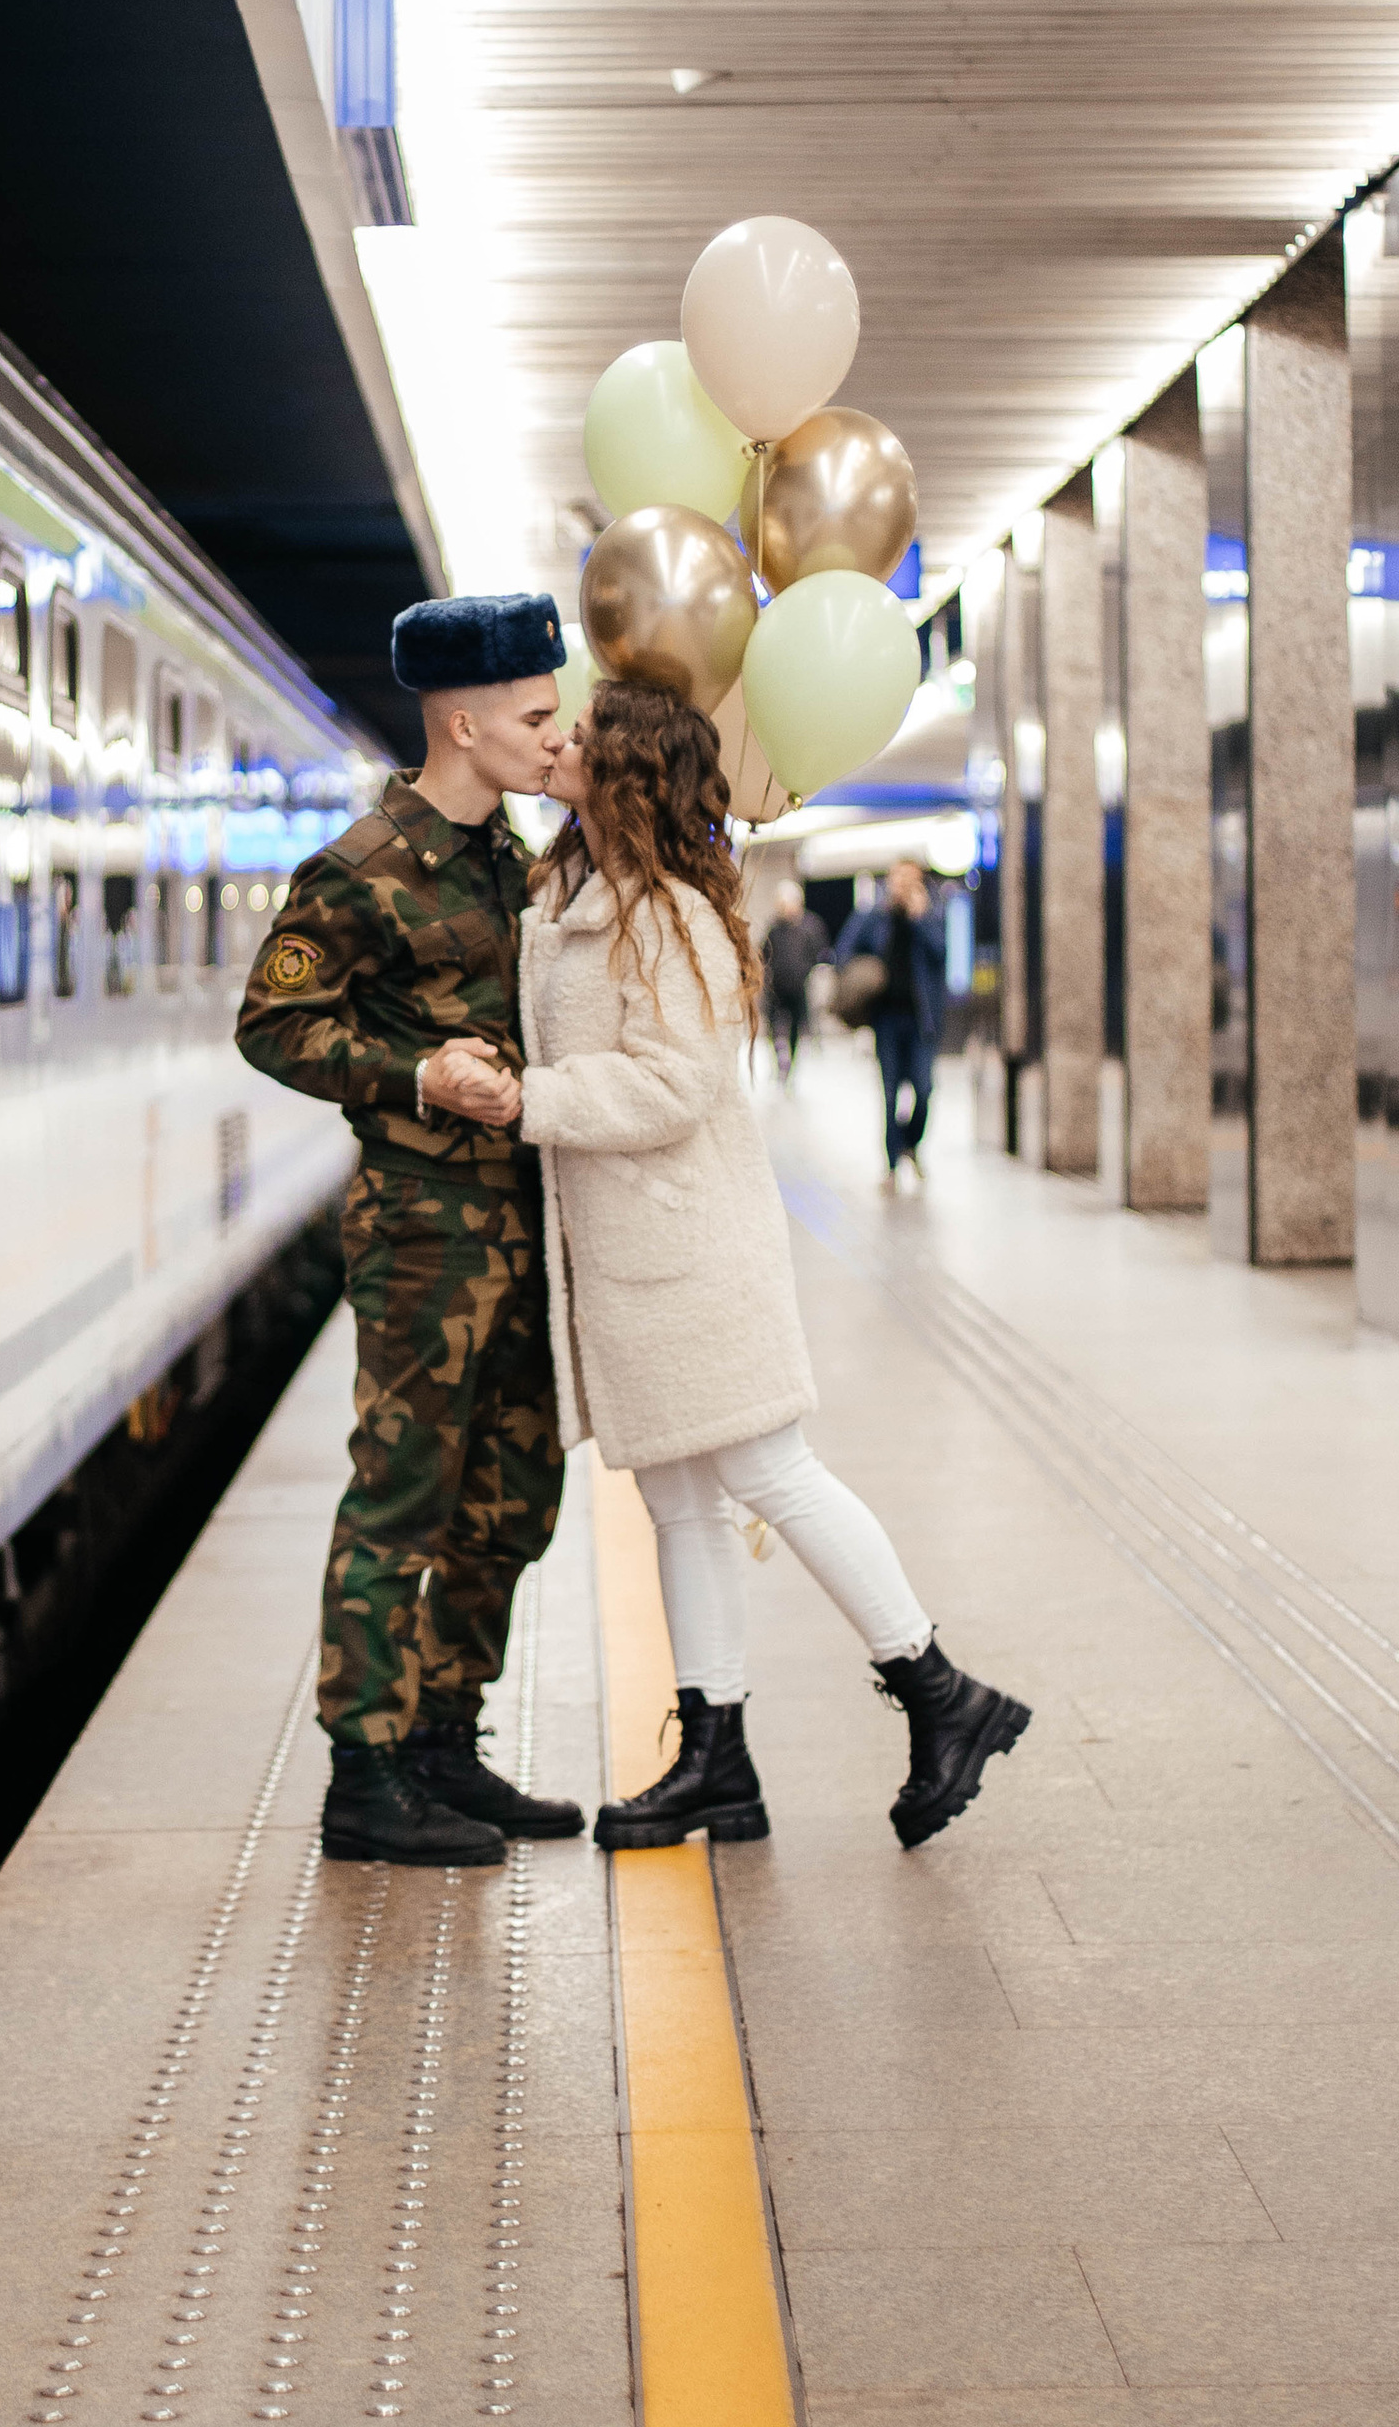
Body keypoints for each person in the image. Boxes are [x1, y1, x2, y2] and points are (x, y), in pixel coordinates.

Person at [427, 681, 1028, 1856]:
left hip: (689, 1253)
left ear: (627, 776)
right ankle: (717, 1755)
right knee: (679, 1501)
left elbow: (673, 1086)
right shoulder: (579, 893)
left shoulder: (669, 917)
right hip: (633, 1260)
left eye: (581, 737)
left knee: (771, 1469)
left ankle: (938, 1689)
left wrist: (526, 1100)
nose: (559, 745)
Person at [236, 592, 586, 1871]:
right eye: (538, 717)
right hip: (425, 1231)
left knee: (511, 1493)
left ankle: (445, 1737)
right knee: (402, 1500)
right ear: (462, 720)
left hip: (525, 1217)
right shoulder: (357, 868)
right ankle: (363, 1774)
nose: (556, 738)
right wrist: (412, 1075)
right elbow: (270, 1028)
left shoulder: (517, 860)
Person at [838, 857, 947, 1185]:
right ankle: (890, 1162)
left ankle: (910, 1145)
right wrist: (868, 969)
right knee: (888, 1092)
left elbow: (942, 953)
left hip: (921, 1020)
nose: (901, 886)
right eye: (897, 879)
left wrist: (921, 919)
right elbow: (844, 951)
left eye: (909, 880)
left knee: (924, 1090)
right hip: (885, 1018)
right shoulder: (874, 916)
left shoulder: (932, 914)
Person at [758, 876, 829, 1082]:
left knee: (797, 1027)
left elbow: (819, 952)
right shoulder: (775, 928)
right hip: (776, 987)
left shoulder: (810, 926)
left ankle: (792, 1065)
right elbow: (764, 954)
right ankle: (778, 1062)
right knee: (772, 1026)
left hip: (800, 987)